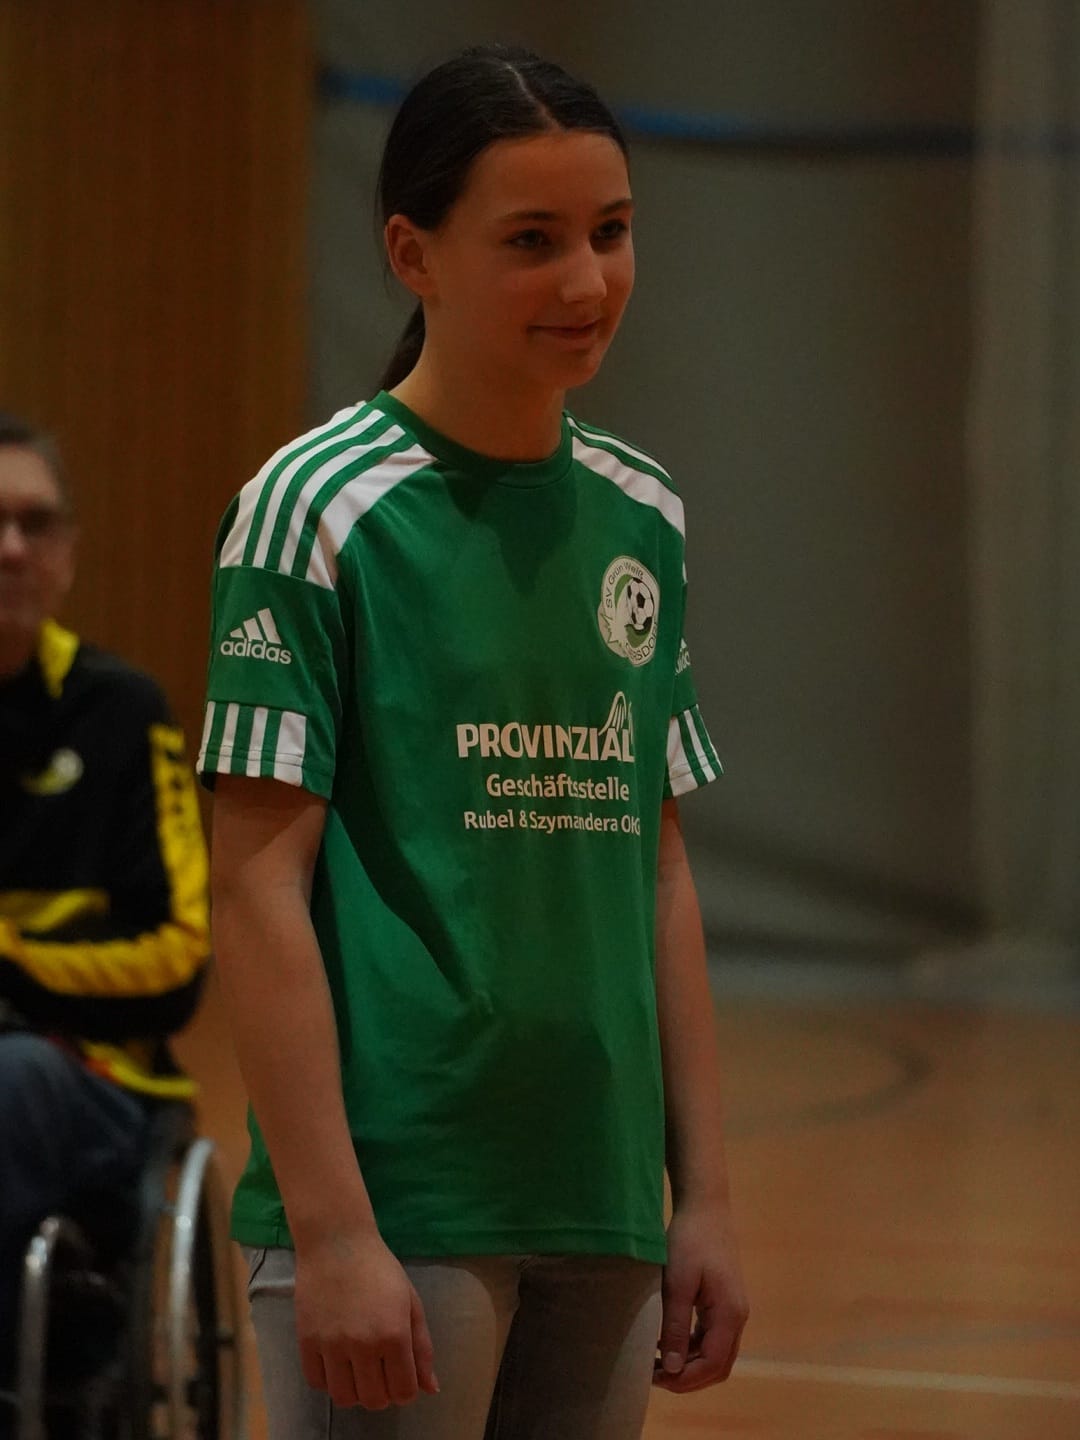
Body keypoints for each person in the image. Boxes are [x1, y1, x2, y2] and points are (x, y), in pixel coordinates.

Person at [201, 43, 748, 1440]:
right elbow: (254, 887)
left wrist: (703, 1197)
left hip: (603, 1202)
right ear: (412, 254)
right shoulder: (314, 507)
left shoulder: (643, 513)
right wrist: (332, 1232)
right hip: (402, 1206)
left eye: (611, 231)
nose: (588, 281)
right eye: (532, 240)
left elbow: (658, 873)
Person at [0, 413, 210, 1415]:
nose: (10, 548)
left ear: (69, 552)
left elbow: (178, 957)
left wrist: (10, 961)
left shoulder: (124, 713)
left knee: (11, 1080)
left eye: (35, 523)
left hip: (85, 1077)